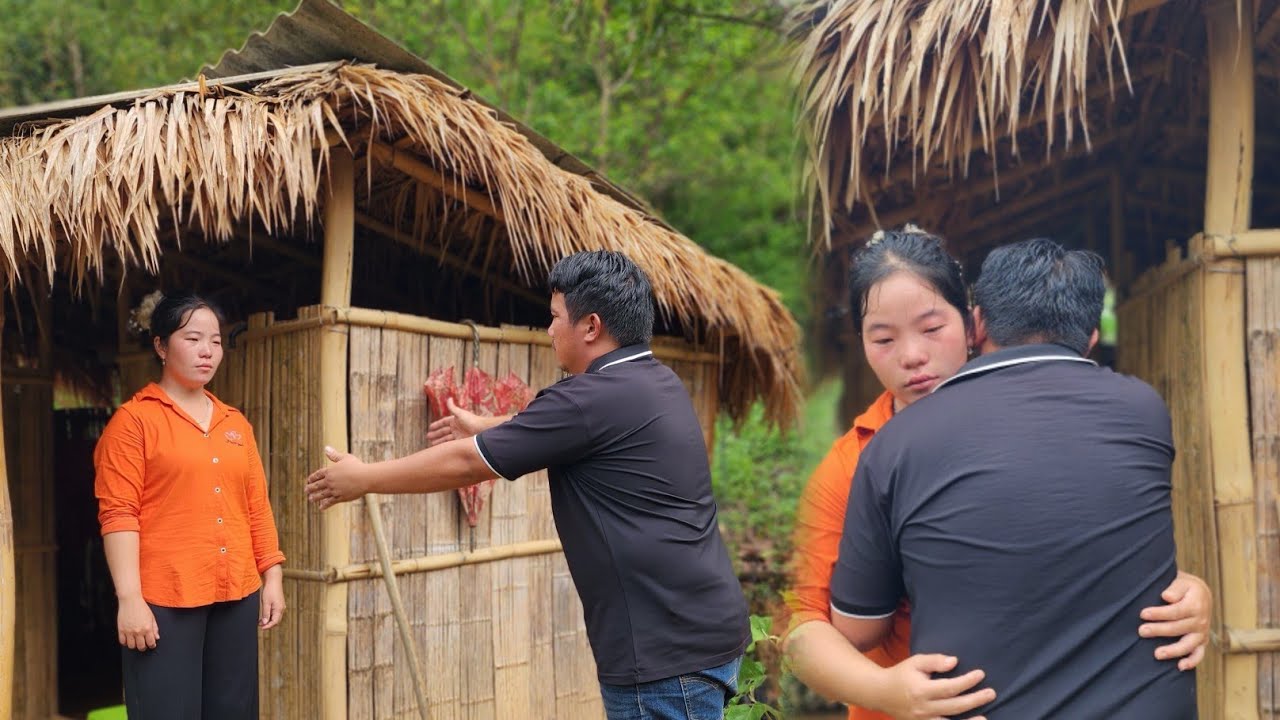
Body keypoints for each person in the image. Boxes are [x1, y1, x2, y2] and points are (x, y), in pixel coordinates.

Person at [784, 227, 1210, 720]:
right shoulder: (850, 463)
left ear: (973, 325)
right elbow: (801, 628)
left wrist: (1189, 590)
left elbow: (1068, 550)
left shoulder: (1055, 425)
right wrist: (884, 690)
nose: (912, 356)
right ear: (860, 342)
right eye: (883, 338)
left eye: (931, 328)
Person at [306, 250, 750, 720]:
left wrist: (364, 478)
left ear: (592, 326)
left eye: (556, 316)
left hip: (666, 656)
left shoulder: (588, 398)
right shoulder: (657, 382)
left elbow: (466, 464)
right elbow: (563, 425)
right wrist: (485, 424)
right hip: (706, 634)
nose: (549, 329)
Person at [95, 291, 286, 719]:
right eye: (193, 338)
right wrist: (129, 599)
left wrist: (271, 576)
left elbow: (256, 505)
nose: (207, 351)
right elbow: (118, 514)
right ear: (161, 346)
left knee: (233, 711)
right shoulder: (133, 422)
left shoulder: (235, 424)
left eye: (215, 341)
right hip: (163, 599)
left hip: (236, 592)